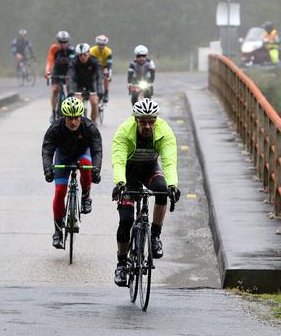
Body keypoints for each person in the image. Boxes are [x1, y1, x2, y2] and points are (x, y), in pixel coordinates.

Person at [111, 98, 180, 287]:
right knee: (125, 220)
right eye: (143, 121)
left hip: (149, 169)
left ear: (156, 120)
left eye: (151, 121)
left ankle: (155, 235)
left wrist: (173, 184)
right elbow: (118, 161)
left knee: (162, 191)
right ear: (136, 120)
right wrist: (120, 183)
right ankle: (122, 264)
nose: (148, 126)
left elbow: (169, 161)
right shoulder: (124, 132)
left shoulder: (164, 132)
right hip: (129, 173)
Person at [42, 97, 103, 249]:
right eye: (70, 118)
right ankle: (57, 232)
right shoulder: (56, 128)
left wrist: (97, 169)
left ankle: (85, 197)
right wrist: (48, 169)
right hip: (63, 156)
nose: (74, 122)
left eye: (76, 118)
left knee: (86, 165)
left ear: (81, 116)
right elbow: (47, 151)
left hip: (83, 154)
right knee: (60, 191)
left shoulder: (89, 126)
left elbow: (97, 150)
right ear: (64, 117)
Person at [68, 43, 103, 123]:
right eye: (80, 55)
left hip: (91, 83)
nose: (82, 57)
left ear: (89, 53)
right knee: (77, 102)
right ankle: (78, 121)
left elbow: (99, 76)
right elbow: (71, 77)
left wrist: (100, 89)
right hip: (78, 83)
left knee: (94, 102)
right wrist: (71, 90)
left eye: (85, 55)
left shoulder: (95, 61)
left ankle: (93, 123)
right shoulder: (74, 62)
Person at [45, 30, 74, 122]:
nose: (63, 44)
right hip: (57, 71)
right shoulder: (54, 48)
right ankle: (53, 112)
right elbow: (50, 61)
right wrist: (48, 72)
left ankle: (70, 111)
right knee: (54, 90)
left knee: (70, 91)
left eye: (65, 42)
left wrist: (72, 75)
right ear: (58, 42)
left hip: (68, 71)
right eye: (61, 42)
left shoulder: (72, 49)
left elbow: (74, 64)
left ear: (68, 42)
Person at [89, 34, 113, 103]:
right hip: (94, 66)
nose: (101, 46)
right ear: (97, 44)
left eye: (103, 45)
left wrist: (109, 75)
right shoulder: (92, 50)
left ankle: (106, 93)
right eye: (99, 44)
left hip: (104, 66)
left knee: (106, 74)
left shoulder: (108, 51)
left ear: (105, 45)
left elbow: (110, 65)